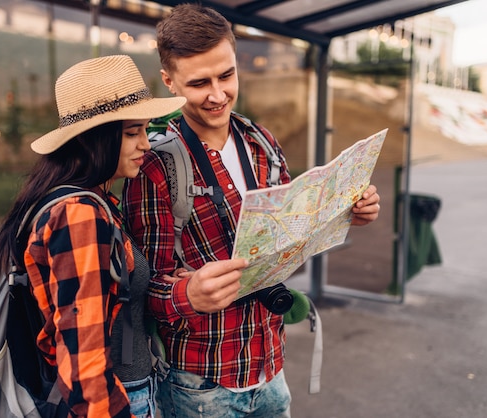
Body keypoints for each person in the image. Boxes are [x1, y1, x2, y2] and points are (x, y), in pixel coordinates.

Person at [122, 4, 381, 418]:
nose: (218, 94)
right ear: (169, 82)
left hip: (271, 365)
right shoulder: (154, 164)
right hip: (201, 383)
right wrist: (185, 295)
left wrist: (349, 210)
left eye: (226, 75)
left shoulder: (261, 142)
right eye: (199, 82)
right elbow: (139, 289)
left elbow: (293, 225)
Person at [0, 55, 190, 418]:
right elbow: (83, 361)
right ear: (91, 140)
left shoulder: (87, 200)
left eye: (145, 129)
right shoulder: (79, 215)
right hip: (115, 402)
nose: (146, 144)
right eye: (131, 133)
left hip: (131, 390)